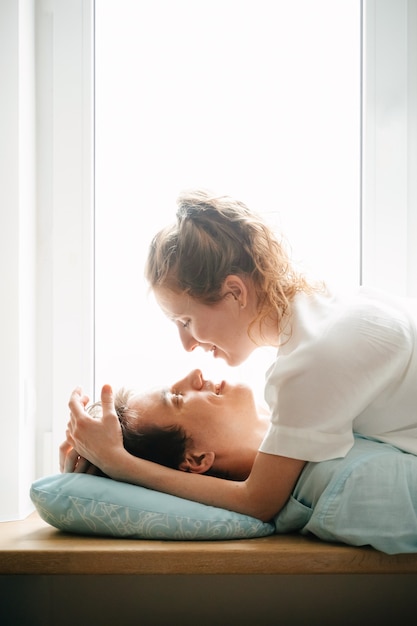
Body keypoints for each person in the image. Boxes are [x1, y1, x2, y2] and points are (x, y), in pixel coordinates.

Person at [62, 188, 417, 522]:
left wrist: (117, 462)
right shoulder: (325, 313)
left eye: (186, 320)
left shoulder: (312, 361)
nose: (187, 347)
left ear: (234, 292)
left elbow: (258, 501)